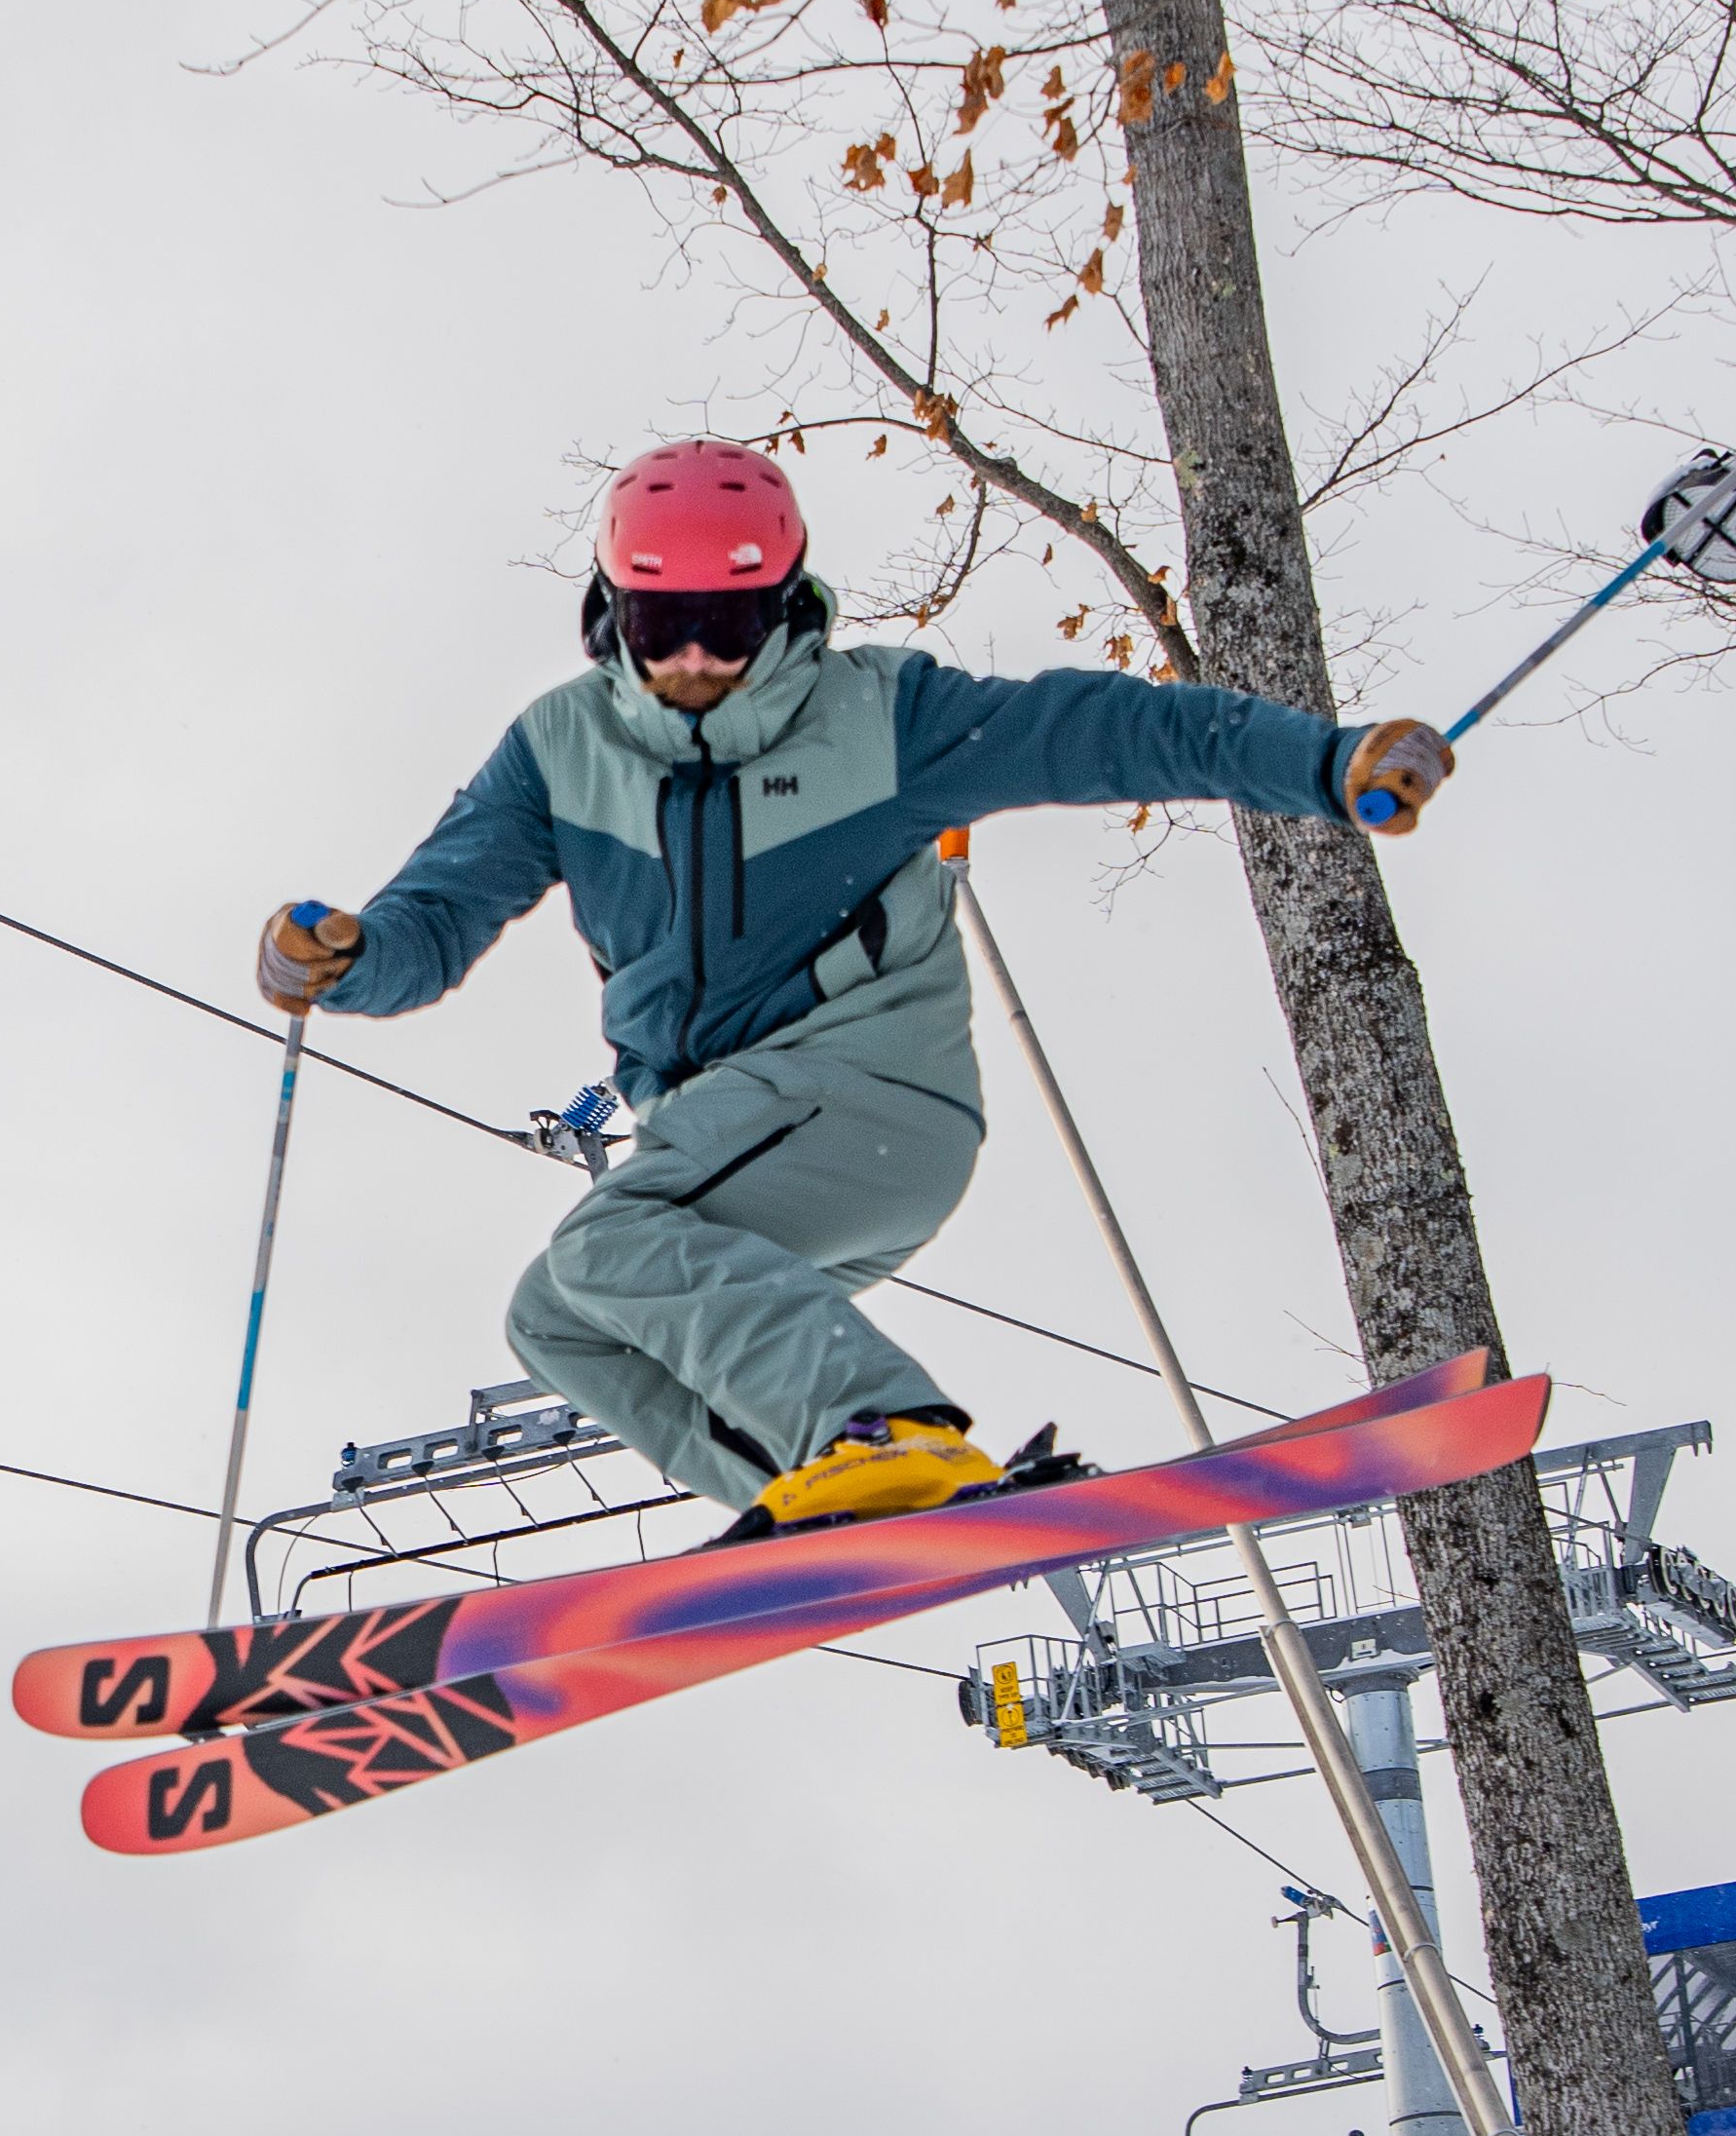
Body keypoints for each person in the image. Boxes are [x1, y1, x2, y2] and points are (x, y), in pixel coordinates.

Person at [262, 439, 1450, 1535]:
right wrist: (347, 961)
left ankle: (883, 1430)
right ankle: (832, 1500)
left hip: (872, 1092)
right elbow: (436, 914)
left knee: (608, 1240)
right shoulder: (557, 749)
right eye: (663, 622)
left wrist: (1323, 761)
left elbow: (1111, 728)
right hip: (727, 1130)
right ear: (611, 613)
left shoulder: (881, 717)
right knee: (557, 1318)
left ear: (783, 606)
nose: (692, 661)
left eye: (726, 625)